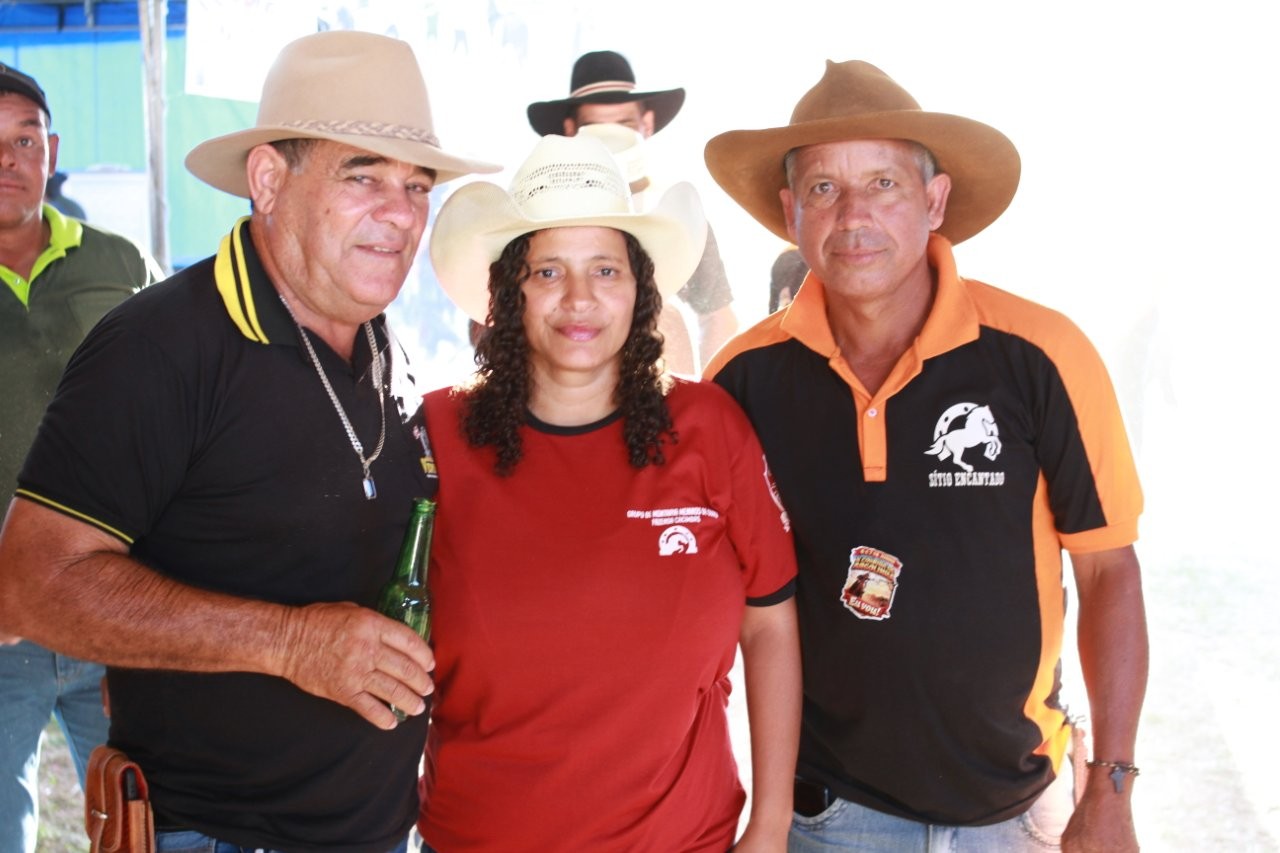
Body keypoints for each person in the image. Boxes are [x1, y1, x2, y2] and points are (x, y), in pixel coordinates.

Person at [0, 31, 497, 853]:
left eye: (416, 185)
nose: (402, 213)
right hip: (217, 832)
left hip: (374, 831)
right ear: (268, 180)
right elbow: (30, 583)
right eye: (363, 176)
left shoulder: (388, 348)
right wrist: (292, 642)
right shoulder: (160, 345)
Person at [703, 60, 1148, 852]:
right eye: (824, 189)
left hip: (1021, 811)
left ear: (935, 201)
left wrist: (1111, 786)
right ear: (790, 213)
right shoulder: (741, 382)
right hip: (828, 818)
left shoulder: (1041, 355)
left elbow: (1108, 569)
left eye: (883, 184)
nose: (853, 216)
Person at [417, 133, 801, 852]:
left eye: (605, 268)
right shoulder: (437, 432)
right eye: (547, 271)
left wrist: (771, 824)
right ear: (508, 291)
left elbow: (771, 625)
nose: (580, 298)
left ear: (639, 288)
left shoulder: (709, 426)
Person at [0, 62, 161, 853]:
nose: (9, 160)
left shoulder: (120, 265)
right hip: (3, 622)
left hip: (112, 603)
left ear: (52, 150)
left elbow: (176, 415)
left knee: (147, 818)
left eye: (25, 140)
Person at [527, 49, 739, 371]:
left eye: (623, 126)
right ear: (570, 130)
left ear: (647, 124)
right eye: (596, 129)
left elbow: (717, 316)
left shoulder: (677, 220)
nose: (612, 142)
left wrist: (705, 390)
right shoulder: (535, 212)